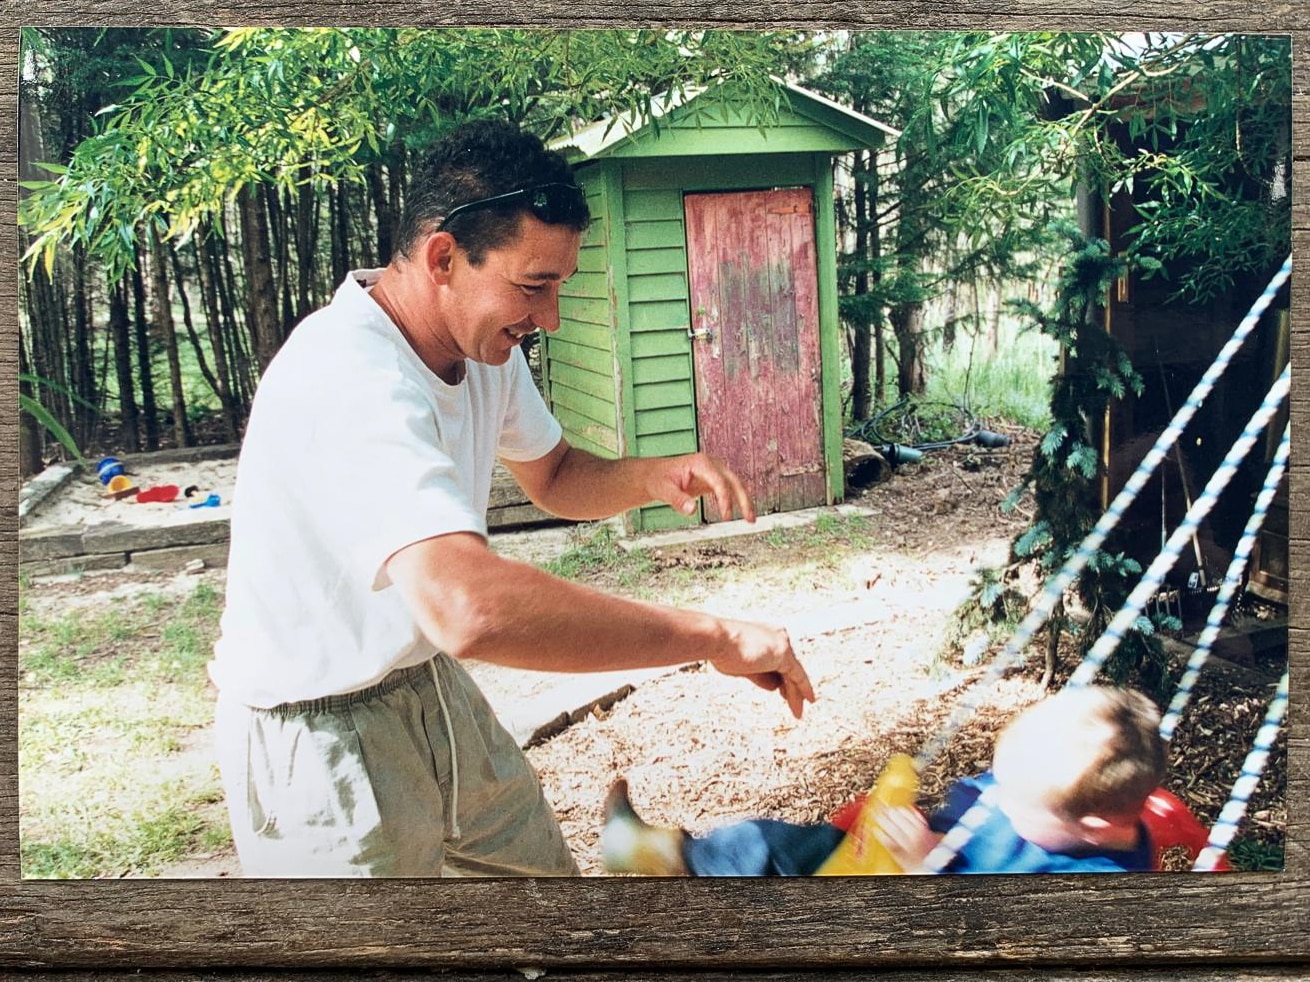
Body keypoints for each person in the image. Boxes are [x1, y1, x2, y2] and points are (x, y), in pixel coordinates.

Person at [209, 119, 815, 878]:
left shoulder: (480, 347)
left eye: (559, 285)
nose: (550, 318)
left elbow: (555, 474)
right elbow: (469, 608)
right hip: (316, 732)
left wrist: (649, 475)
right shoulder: (349, 374)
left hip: (426, 686)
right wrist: (714, 637)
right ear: (442, 257)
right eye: (534, 286)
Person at [602, 685, 1167, 875]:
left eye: (1014, 799)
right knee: (769, 843)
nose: (998, 795)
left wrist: (927, 866)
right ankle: (664, 854)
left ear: (1093, 826)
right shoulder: (1051, 797)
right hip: (886, 863)